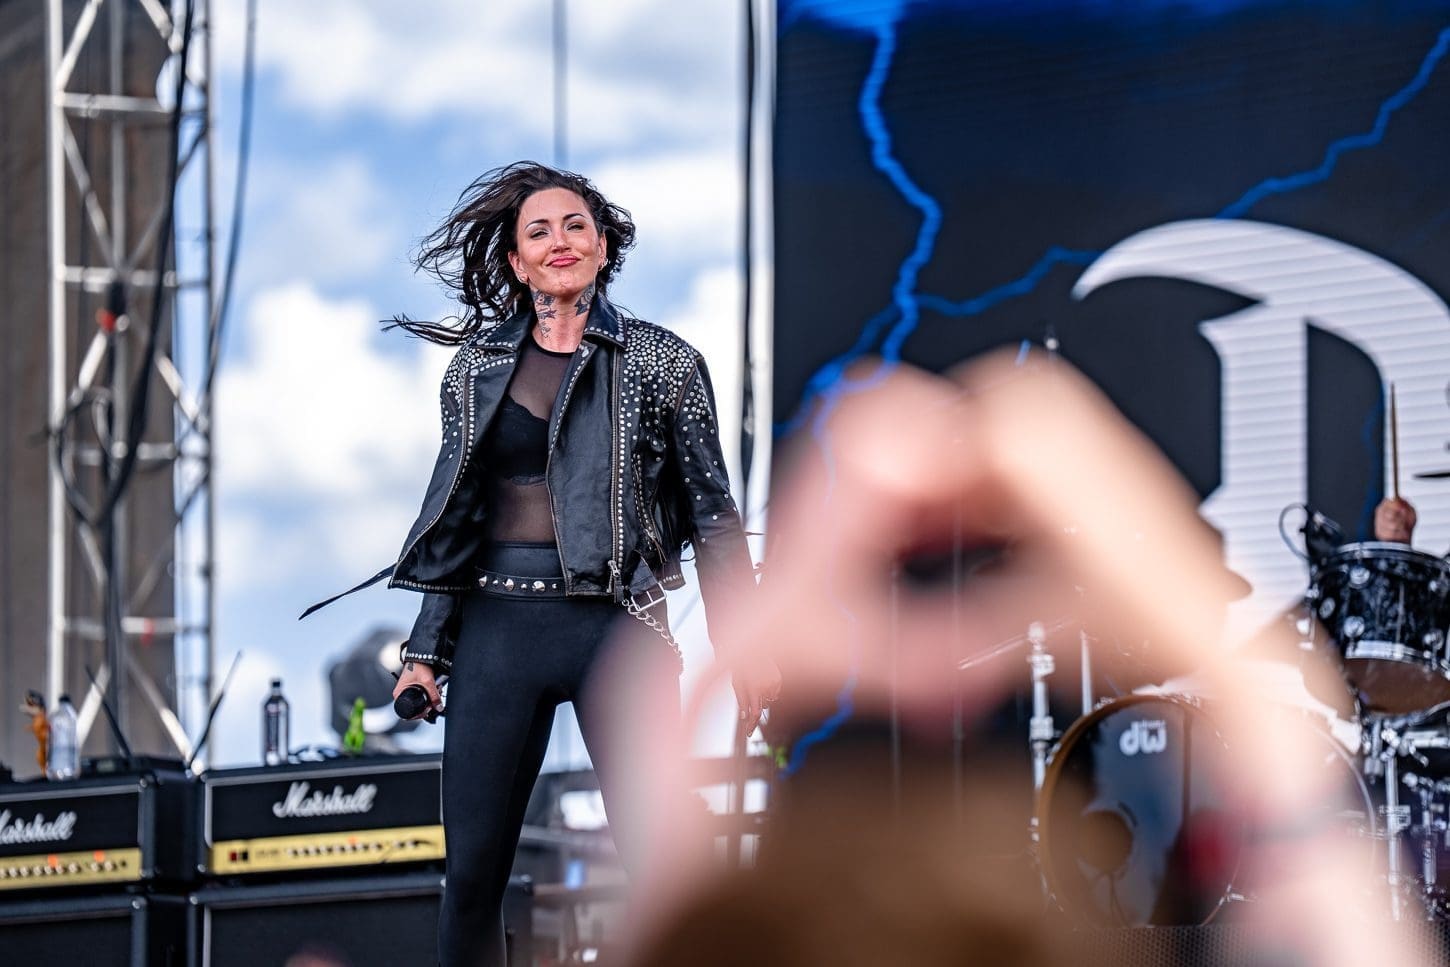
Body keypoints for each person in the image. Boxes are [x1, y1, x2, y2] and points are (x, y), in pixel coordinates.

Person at [382, 162, 779, 966]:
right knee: (472, 880)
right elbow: (457, 518)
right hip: (499, 625)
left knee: (667, 868)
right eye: (539, 231)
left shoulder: (664, 362)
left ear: (603, 247)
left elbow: (715, 518)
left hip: (616, 628)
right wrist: (427, 651)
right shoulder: (473, 373)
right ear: (519, 262)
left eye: (575, 226)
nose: (558, 241)